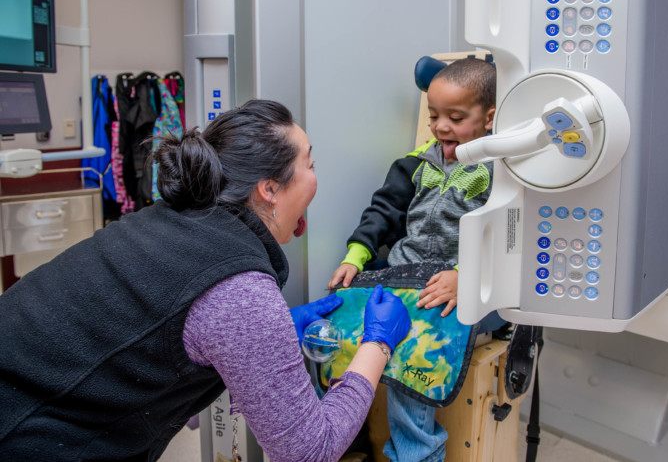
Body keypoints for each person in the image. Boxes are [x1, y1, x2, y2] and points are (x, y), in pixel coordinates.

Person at [0, 99, 411, 462]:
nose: (316, 175)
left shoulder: (171, 222)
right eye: (311, 164)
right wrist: (377, 345)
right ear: (269, 189)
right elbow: (309, 450)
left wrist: (276, 327)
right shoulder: (239, 290)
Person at [328, 58, 498, 462]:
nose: (440, 126)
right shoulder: (418, 163)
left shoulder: (498, 173)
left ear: (488, 118)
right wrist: (357, 255)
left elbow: (507, 235)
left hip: (456, 284)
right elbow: (383, 212)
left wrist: (465, 275)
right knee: (337, 323)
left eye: (455, 118)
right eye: (434, 115)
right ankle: (340, 440)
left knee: (411, 356)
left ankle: (416, 454)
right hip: (403, 272)